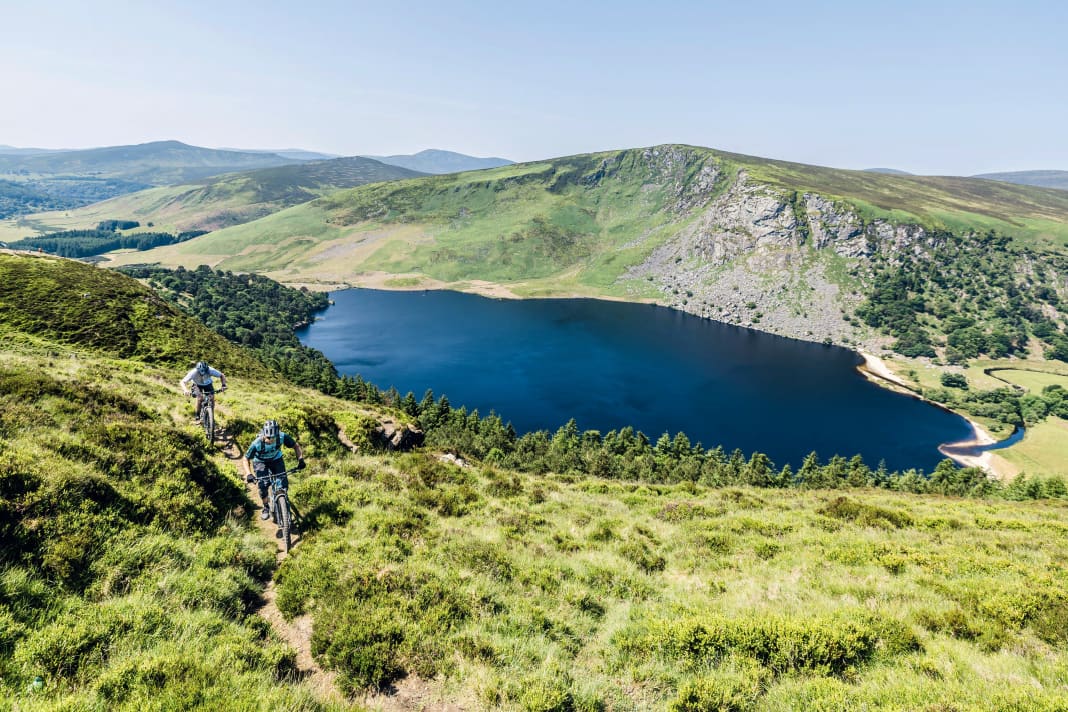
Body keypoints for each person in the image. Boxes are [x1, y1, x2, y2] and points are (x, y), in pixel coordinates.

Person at [243, 419, 305, 520]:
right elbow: (245, 459)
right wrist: (248, 474)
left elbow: (296, 446)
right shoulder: (256, 443)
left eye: (273, 437)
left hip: (276, 459)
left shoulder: (282, 436)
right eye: (268, 437)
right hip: (260, 462)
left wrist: (300, 459)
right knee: (263, 486)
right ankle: (266, 507)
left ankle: (283, 502)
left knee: (283, 484)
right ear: (264, 434)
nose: (271, 440)